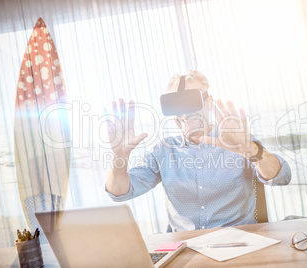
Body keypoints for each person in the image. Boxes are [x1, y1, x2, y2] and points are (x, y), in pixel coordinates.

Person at [105, 70, 291, 232]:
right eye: (176, 104)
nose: (185, 113)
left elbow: (282, 176)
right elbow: (119, 193)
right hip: (185, 250)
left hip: (238, 243)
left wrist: (250, 149)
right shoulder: (164, 151)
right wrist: (119, 158)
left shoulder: (234, 139)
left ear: (208, 102)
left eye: (190, 101)